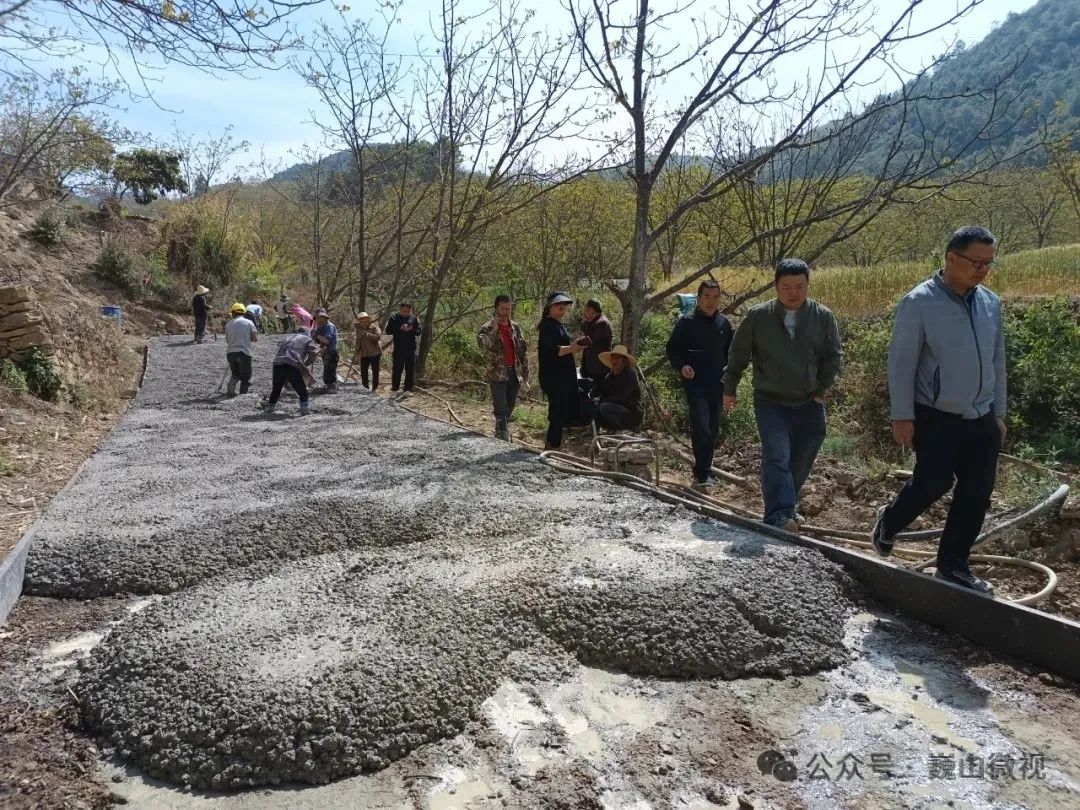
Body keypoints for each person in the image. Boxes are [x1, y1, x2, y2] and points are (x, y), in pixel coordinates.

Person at [872, 226, 1006, 595]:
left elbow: (997, 360)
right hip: (935, 414)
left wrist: (998, 412)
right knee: (934, 481)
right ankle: (890, 521)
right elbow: (901, 364)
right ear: (951, 258)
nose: (982, 269)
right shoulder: (919, 303)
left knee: (978, 490)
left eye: (988, 263)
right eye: (975, 262)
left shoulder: (990, 304)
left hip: (980, 416)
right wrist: (902, 415)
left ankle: (953, 566)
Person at [722, 259, 843, 531]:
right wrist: (729, 388)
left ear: (807, 285)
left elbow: (833, 356)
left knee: (801, 458)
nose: (793, 292)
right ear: (776, 286)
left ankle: (786, 506)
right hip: (770, 400)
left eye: (799, 286)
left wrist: (821, 390)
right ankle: (778, 516)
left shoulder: (822, 316)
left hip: (809, 400)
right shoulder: (758, 316)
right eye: (786, 287)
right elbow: (738, 354)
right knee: (777, 456)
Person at [665, 280, 734, 490]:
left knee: (712, 428)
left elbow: (731, 355)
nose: (711, 301)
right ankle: (702, 473)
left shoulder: (724, 324)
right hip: (695, 384)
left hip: (717, 384)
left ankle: (705, 471)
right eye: (707, 297)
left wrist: (730, 380)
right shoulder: (686, 322)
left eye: (715, 297)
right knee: (701, 425)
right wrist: (682, 365)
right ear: (699, 298)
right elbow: (673, 349)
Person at [477, 294, 529, 441]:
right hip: (497, 373)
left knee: (510, 406)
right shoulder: (486, 328)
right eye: (502, 308)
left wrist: (525, 375)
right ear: (496, 308)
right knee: (501, 408)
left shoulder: (515, 327)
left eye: (508, 308)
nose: (505, 311)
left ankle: (499, 434)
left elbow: (523, 352)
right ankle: (504, 438)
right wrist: (494, 330)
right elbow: (484, 345)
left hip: (514, 373)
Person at [537, 292, 584, 449]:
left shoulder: (560, 325)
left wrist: (574, 345)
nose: (562, 308)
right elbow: (552, 350)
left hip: (563, 376)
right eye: (558, 305)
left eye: (564, 306)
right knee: (557, 409)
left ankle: (553, 443)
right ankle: (552, 445)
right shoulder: (547, 326)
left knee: (560, 409)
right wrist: (571, 348)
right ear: (550, 308)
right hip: (553, 376)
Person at [265, 328, 323, 415]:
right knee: (301, 389)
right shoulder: (307, 339)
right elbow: (314, 353)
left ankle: (270, 408)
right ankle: (305, 409)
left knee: (277, 388)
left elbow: (281, 346)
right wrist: (306, 364)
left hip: (277, 362)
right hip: (292, 362)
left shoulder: (288, 337)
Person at [591, 345, 642, 431]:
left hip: (630, 412)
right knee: (594, 404)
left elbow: (623, 397)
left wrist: (602, 401)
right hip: (614, 409)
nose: (614, 361)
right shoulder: (609, 377)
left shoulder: (630, 375)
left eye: (617, 358)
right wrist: (595, 399)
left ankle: (625, 428)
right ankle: (595, 430)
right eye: (613, 358)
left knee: (604, 406)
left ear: (624, 361)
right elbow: (604, 395)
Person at [386, 302, 422, 392]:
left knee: (410, 369)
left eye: (408, 311)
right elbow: (388, 331)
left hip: (411, 348)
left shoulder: (413, 319)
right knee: (397, 369)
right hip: (399, 348)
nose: (405, 313)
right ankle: (395, 388)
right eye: (404, 311)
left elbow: (419, 332)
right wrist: (399, 328)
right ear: (400, 309)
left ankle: (407, 389)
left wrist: (411, 329)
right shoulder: (394, 318)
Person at [224, 302, 258, 396]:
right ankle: (243, 394)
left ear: (233, 313)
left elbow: (227, 340)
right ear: (243, 313)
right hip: (244, 352)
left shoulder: (228, 324)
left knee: (235, 373)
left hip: (230, 353)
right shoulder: (249, 322)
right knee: (246, 377)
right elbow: (255, 339)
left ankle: (231, 386)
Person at [579, 299, 613, 386]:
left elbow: (590, 339)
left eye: (585, 309)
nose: (583, 312)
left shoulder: (602, 323)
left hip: (599, 369)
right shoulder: (596, 321)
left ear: (590, 310)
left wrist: (575, 344)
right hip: (594, 368)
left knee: (598, 395)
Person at [352, 312, 383, 390]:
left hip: (375, 353)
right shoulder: (359, 330)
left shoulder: (375, 328)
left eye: (365, 318)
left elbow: (378, 337)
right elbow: (358, 342)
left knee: (375, 372)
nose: (363, 321)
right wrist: (356, 353)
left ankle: (374, 388)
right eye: (361, 319)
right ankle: (365, 387)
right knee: (363, 372)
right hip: (364, 354)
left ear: (368, 319)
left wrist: (367, 335)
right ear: (359, 321)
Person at [312, 308, 339, 394]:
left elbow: (327, 340)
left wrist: (317, 335)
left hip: (331, 351)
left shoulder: (329, 326)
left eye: (319, 318)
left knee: (330, 369)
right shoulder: (321, 326)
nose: (318, 320)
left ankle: (332, 387)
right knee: (327, 369)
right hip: (326, 351)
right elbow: (318, 340)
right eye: (317, 318)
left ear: (324, 318)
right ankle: (330, 385)